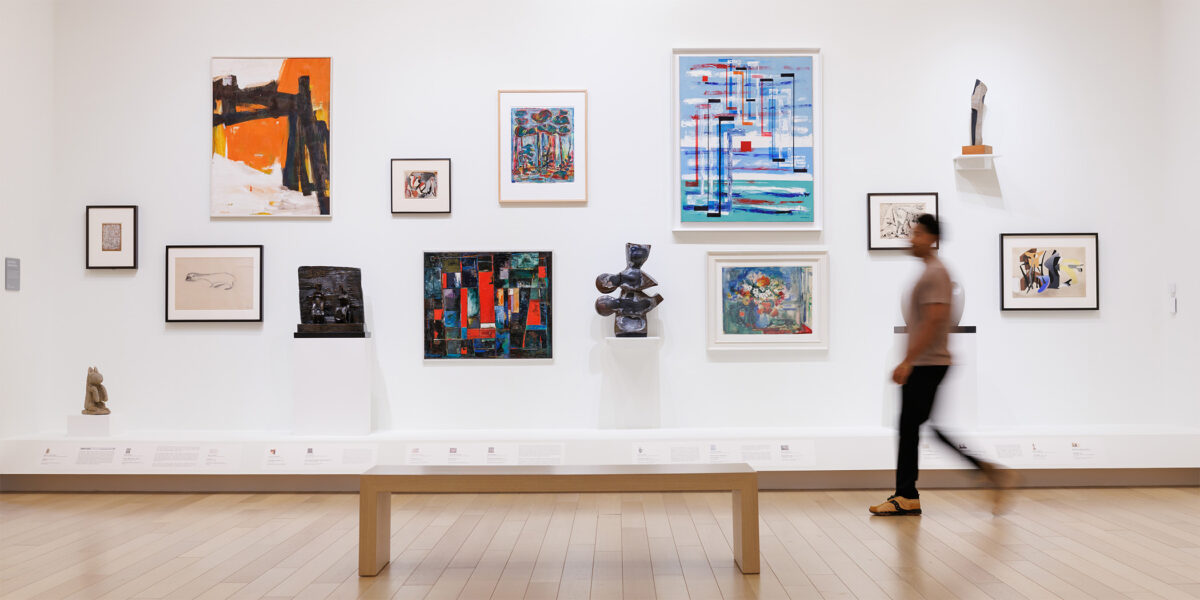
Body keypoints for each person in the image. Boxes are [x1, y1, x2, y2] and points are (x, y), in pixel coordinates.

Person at [870, 214, 1013, 516]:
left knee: (911, 427)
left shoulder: (936, 272)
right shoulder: (932, 272)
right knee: (919, 427)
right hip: (928, 362)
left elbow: (936, 320)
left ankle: (907, 494)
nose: (912, 238)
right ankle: (982, 473)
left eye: (919, 234)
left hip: (928, 363)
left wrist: (908, 361)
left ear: (933, 239)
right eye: (912, 233)